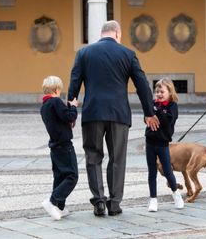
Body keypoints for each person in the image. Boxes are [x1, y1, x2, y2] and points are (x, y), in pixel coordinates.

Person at [68, 20, 160, 216]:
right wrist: (149, 113)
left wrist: (71, 113)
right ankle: (115, 202)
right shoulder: (128, 54)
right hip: (118, 113)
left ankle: (99, 202)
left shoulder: (84, 53)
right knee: (117, 158)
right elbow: (142, 85)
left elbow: (74, 83)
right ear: (118, 34)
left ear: (102, 34)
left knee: (93, 157)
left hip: (93, 112)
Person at [39, 76, 79, 220]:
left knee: (60, 177)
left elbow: (59, 118)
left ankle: (59, 207)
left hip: (55, 146)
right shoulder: (56, 101)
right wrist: (73, 106)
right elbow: (69, 117)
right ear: (56, 89)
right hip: (64, 145)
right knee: (72, 175)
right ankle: (52, 201)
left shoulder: (44, 106)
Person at [145, 78, 184, 212]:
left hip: (163, 144)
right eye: (157, 92)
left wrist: (157, 110)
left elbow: (167, 121)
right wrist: (150, 113)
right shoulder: (153, 104)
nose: (159, 94)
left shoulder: (172, 106)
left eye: (162, 91)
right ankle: (153, 199)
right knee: (152, 173)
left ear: (170, 92)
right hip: (150, 142)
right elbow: (148, 118)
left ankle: (175, 193)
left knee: (168, 171)